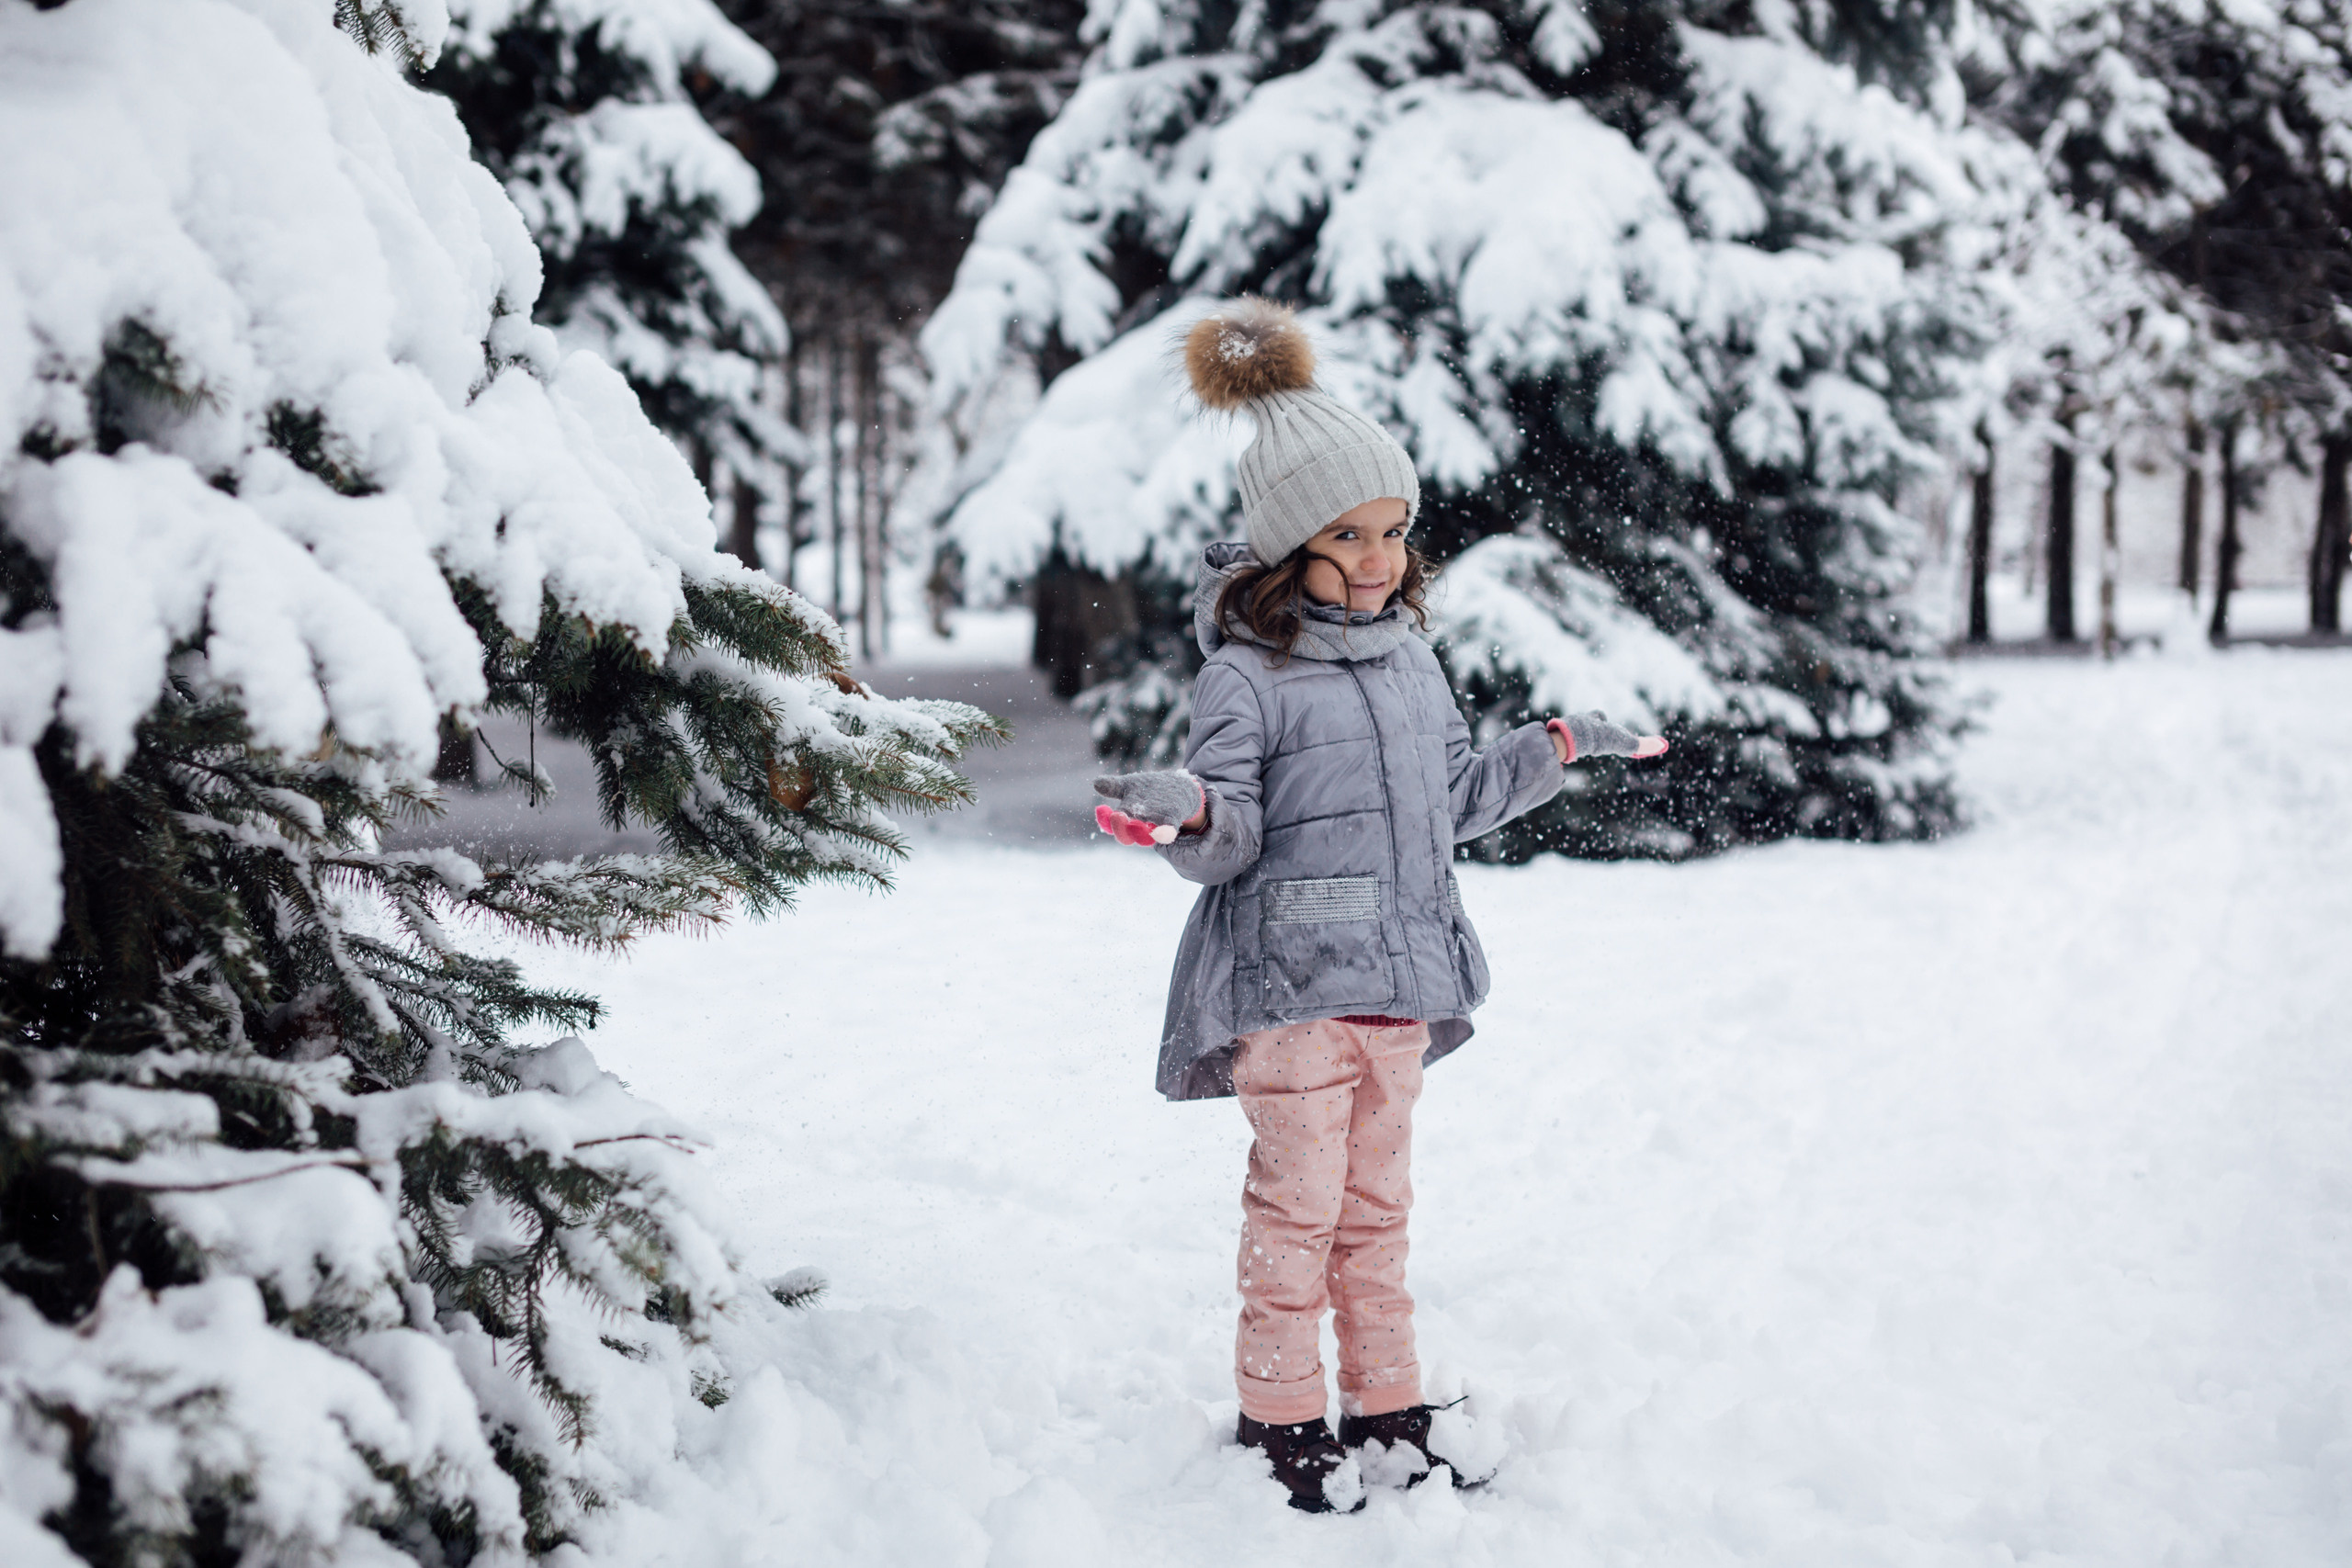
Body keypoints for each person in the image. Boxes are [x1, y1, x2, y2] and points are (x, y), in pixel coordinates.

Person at [1091, 299, 1670, 1515]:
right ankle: (1282, 1426)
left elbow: (1452, 801)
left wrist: (1557, 744)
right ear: (1286, 548)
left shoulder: (1412, 662)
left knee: (1376, 1221)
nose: (1377, 558)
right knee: (1296, 1220)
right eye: (1347, 534)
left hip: (1401, 992)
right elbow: (1233, 824)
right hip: (1293, 996)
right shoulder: (1247, 675)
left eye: (1394, 531)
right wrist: (1183, 807)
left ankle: (1393, 1418)